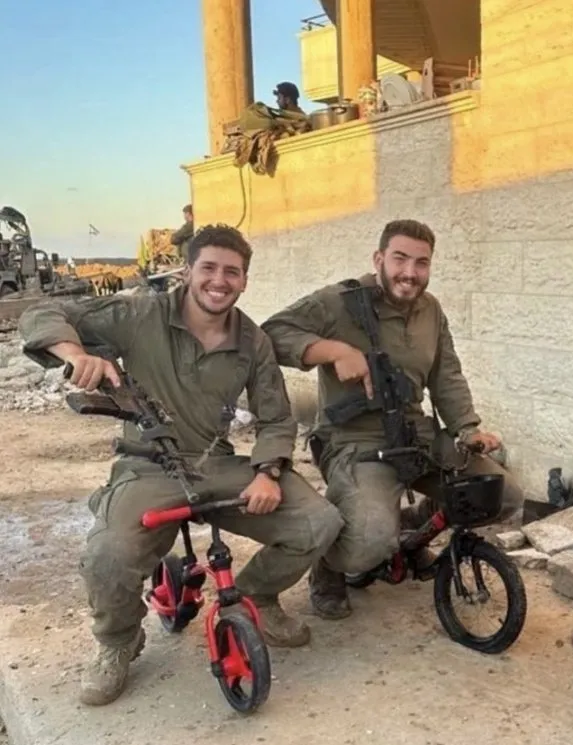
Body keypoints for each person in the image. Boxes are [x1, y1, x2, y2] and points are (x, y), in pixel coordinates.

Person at [18, 224, 344, 706]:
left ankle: (255, 596)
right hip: (148, 466)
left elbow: (276, 417)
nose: (219, 280)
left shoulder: (252, 341)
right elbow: (42, 312)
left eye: (232, 272)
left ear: (244, 280)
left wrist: (267, 472)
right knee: (107, 554)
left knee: (319, 522)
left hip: (216, 463)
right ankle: (118, 641)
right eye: (208, 268)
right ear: (187, 270)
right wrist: (75, 353)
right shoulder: (140, 313)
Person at [260, 219, 524, 620]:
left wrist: (467, 429)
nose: (410, 272)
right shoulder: (340, 302)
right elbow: (272, 333)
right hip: (355, 441)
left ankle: (411, 529)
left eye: (422, 262)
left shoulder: (431, 310)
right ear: (379, 258)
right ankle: (329, 566)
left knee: (502, 495)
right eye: (400, 259)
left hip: (415, 434)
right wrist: (334, 351)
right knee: (368, 542)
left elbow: (447, 374)